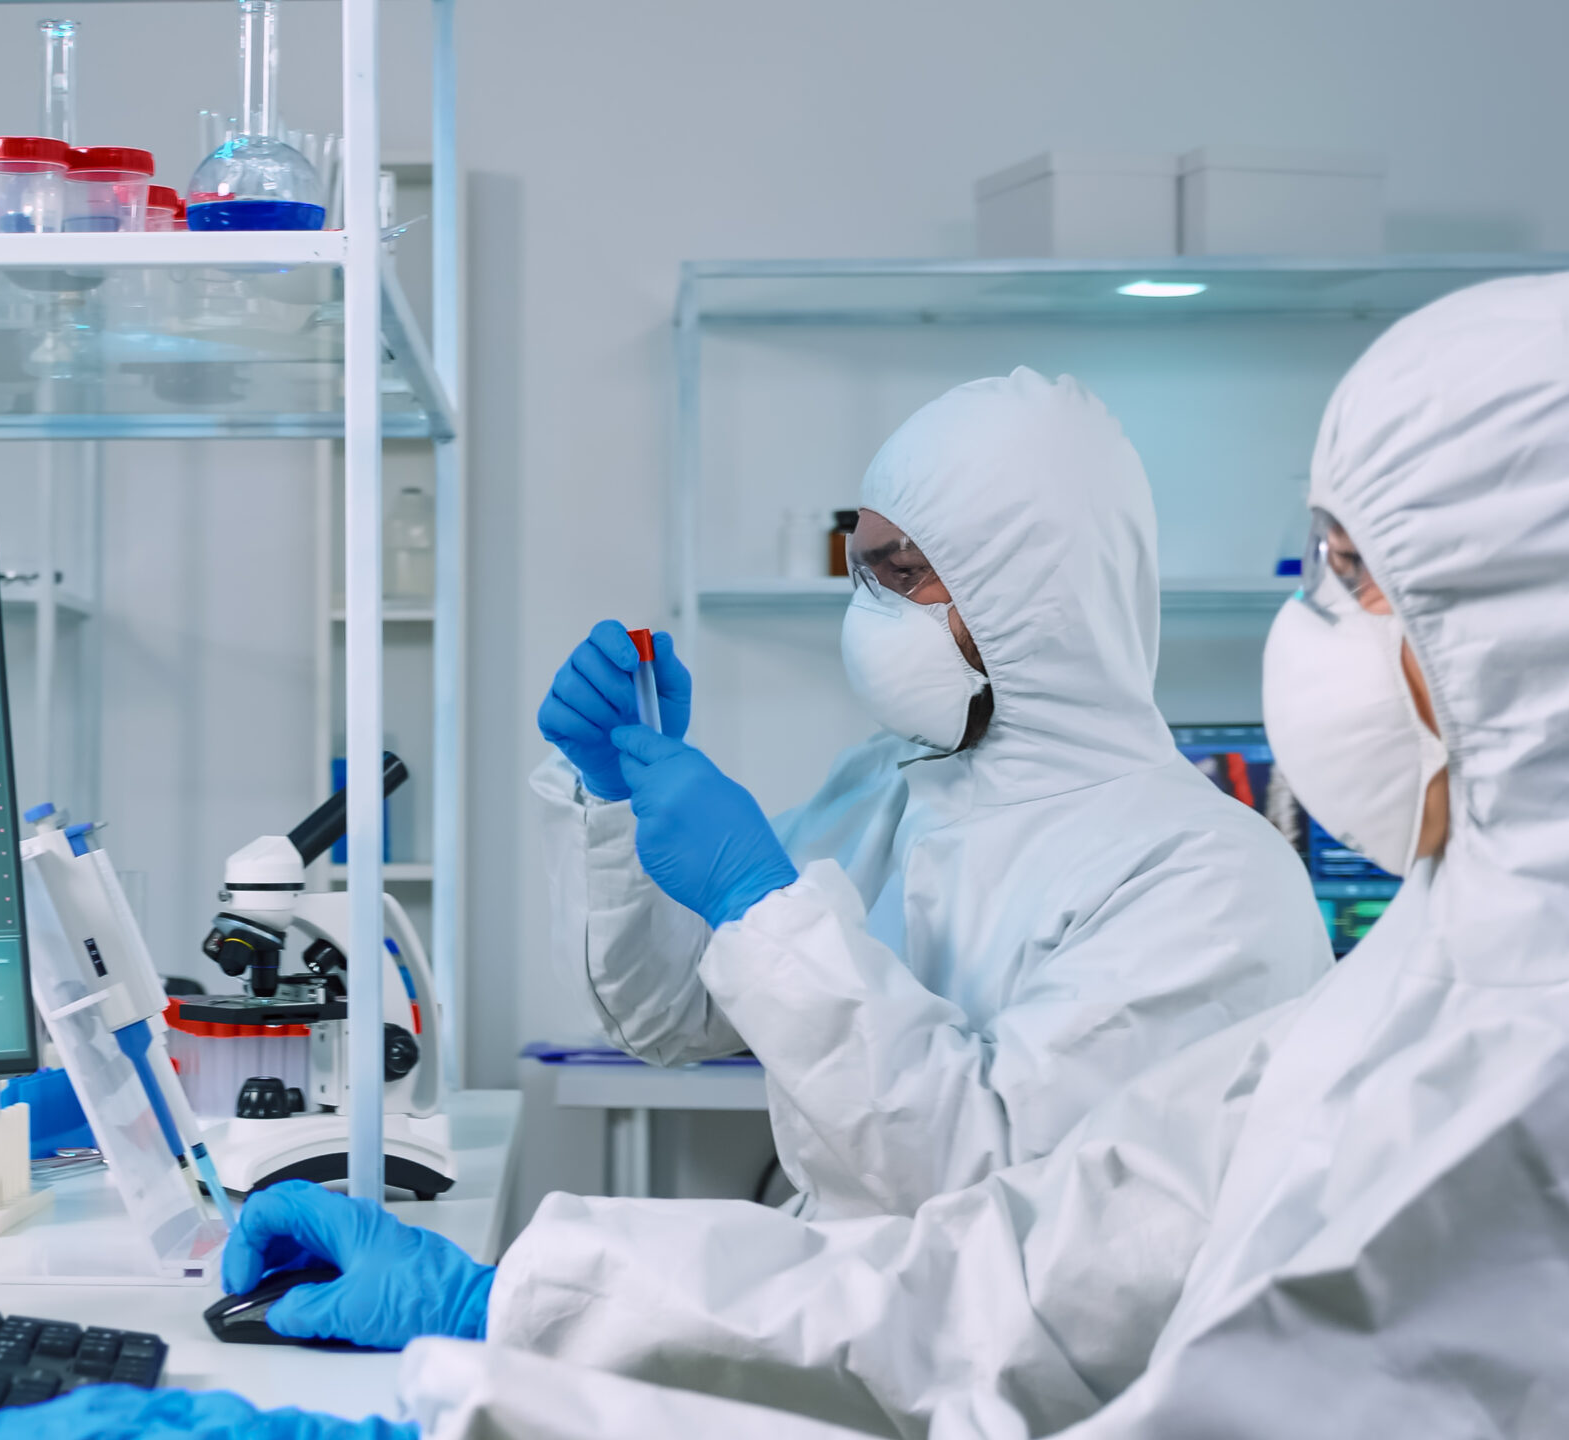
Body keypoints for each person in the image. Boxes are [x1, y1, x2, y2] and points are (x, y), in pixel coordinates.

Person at [0, 267, 1569, 1438]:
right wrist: (616, 818)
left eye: (1354, 578)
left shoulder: (1223, 893)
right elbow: (991, 1284)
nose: (859, 608)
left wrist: (490, 1394)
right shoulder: (1409, 997)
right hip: (831, 1337)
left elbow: (975, 1222)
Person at [528, 367, 1329, 1219]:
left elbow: (987, 1189)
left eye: (902, 573)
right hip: (854, 1307)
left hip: (1035, 1348)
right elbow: (665, 1018)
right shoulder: (893, 787)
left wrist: (760, 906)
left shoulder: (1204, 879)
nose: (870, 611)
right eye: (862, 575)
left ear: (1034, 586)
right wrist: (615, 796)